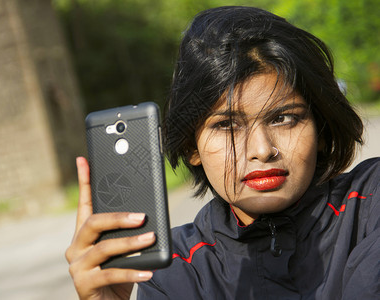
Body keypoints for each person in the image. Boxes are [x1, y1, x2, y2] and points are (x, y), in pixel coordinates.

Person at [66, 6, 379, 300]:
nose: (261, 151)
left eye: (284, 118)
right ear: (191, 146)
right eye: (227, 125)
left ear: (321, 129)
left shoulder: (370, 206)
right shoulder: (175, 271)